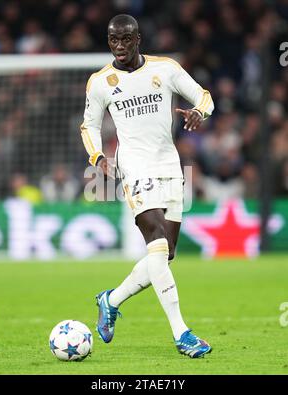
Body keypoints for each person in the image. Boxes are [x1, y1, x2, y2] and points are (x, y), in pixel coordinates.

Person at [80, 14, 214, 358]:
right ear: (109, 42)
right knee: (155, 244)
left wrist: (200, 111)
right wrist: (97, 158)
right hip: (135, 166)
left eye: (126, 39)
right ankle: (182, 333)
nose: (119, 47)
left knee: (165, 255)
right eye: (113, 41)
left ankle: (110, 300)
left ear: (138, 38)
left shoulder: (165, 68)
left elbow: (204, 96)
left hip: (170, 164)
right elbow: (89, 126)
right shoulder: (101, 82)